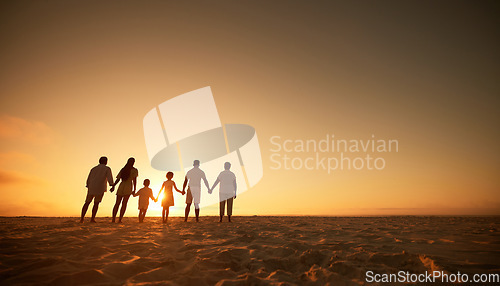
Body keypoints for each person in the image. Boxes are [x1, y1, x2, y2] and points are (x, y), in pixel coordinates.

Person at [80, 156, 114, 223]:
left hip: (92, 187)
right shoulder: (107, 168)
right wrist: (112, 185)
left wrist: (88, 185)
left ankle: (82, 219)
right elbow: (109, 177)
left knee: (87, 202)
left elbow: (89, 178)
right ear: (106, 161)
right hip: (100, 187)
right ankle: (92, 219)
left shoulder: (93, 168)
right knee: (96, 203)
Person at [110, 157, 138, 223]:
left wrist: (113, 186)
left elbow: (118, 179)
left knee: (117, 203)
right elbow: (134, 180)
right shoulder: (134, 170)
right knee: (124, 204)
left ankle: (114, 219)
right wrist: (134, 189)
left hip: (122, 185)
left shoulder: (123, 169)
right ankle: (119, 219)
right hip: (128, 186)